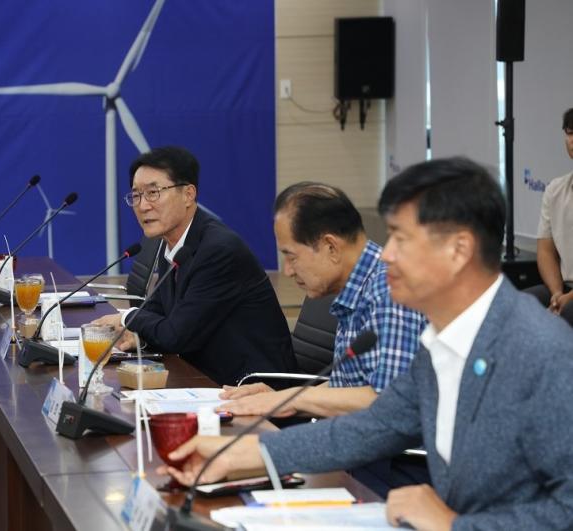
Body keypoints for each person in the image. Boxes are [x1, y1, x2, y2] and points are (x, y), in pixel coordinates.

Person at [159, 157, 573, 530]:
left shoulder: (540, 351)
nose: (386, 255)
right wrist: (238, 453)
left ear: (459, 249)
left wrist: (454, 525)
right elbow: (373, 427)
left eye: (401, 239)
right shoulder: (444, 341)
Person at [217, 183, 426, 420]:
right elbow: (347, 387)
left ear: (331, 247)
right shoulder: (356, 286)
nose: (287, 271)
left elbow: (387, 401)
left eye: (291, 256)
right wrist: (278, 398)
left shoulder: (389, 291)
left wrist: (290, 400)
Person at [91, 146, 296, 386]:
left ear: (188, 194)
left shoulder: (219, 250)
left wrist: (126, 317)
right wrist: (140, 338)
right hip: (202, 373)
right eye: (136, 195)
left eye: (153, 193)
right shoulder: (171, 241)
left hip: (251, 386)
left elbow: (176, 336)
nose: (143, 205)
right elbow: (156, 311)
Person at [525, 107, 573, 326]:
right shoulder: (555, 189)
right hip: (564, 286)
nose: (572, 140)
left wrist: (568, 300)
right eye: (569, 133)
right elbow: (545, 250)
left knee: (567, 313)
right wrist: (556, 294)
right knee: (519, 306)